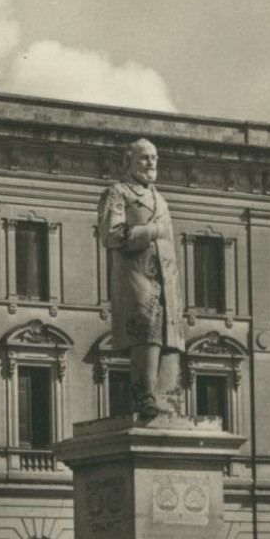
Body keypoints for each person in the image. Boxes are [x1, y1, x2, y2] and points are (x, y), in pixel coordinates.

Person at [98, 137, 185, 419]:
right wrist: (151, 231)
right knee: (146, 331)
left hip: (166, 279)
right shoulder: (118, 192)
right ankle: (144, 395)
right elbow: (111, 235)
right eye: (145, 157)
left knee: (169, 335)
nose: (151, 163)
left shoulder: (161, 199)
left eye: (154, 157)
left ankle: (167, 396)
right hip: (137, 276)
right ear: (130, 161)